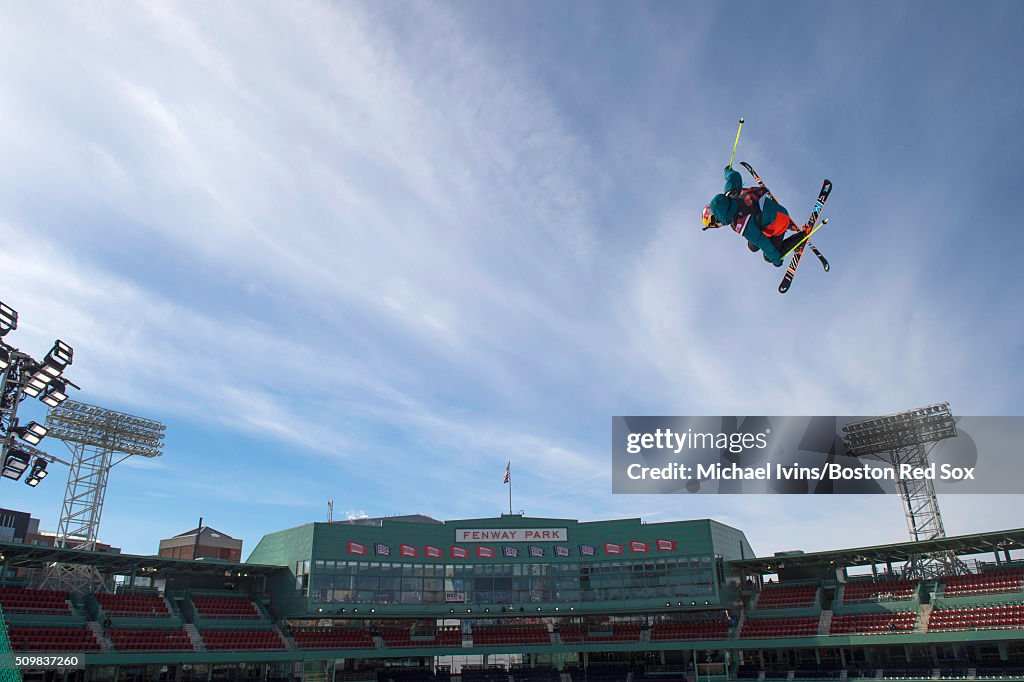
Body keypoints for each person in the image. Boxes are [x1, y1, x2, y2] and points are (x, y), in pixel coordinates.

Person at [702, 166, 807, 266]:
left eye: (714, 225)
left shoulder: (741, 223)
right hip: (769, 212)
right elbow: (734, 177)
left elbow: (762, 242)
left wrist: (776, 260)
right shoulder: (730, 193)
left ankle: (800, 237)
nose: (718, 226)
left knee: (768, 257)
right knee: (752, 247)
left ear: (716, 218)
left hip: (779, 221)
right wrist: (727, 171)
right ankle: (774, 219)